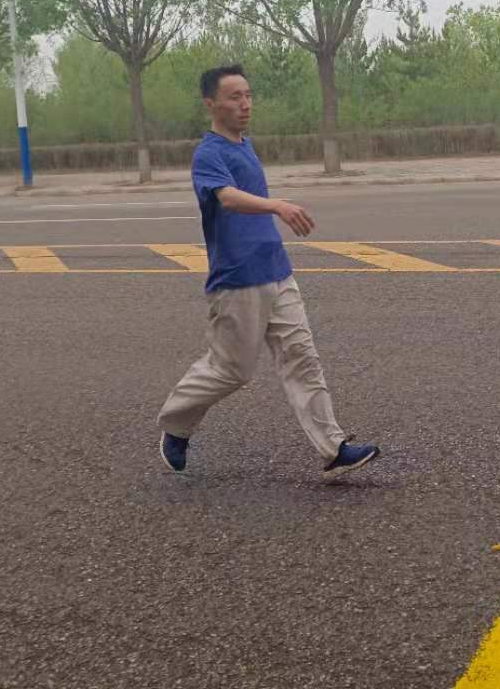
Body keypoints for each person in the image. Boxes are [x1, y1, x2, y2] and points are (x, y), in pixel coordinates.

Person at [155, 64, 380, 477]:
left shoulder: (245, 145)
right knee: (232, 370)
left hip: (276, 269)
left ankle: (333, 449)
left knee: (302, 358)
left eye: (248, 95)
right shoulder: (208, 153)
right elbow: (226, 197)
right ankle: (176, 424)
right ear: (211, 104)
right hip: (237, 279)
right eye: (234, 97)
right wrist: (277, 205)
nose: (245, 104)